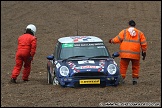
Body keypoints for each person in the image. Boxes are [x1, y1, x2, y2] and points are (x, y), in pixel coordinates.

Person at [109, 20, 147, 85]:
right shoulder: (140, 33)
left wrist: (111, 41)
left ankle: (122, 79)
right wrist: (144, 51)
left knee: (123, 66)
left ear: (129, 25)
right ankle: (134, 80)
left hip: (125, 54)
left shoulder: (124, 32)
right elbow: (144, 43)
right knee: (135, 66)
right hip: (135, 54)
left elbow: (117, 39)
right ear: (135, 25)